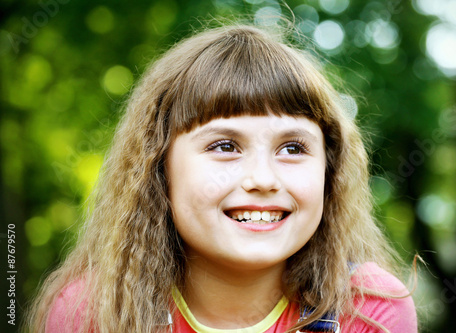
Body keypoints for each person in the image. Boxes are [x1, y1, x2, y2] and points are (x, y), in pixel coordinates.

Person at [26, 24, 418, 333]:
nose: (263, 179)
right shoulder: (90, 310)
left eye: (293, 149)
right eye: (226, 146)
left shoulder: (369, 311)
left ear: (329, 173)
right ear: (158, 169)